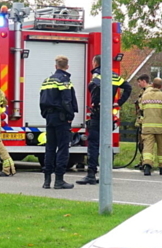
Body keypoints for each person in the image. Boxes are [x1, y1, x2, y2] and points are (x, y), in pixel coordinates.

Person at [80, 55, 131, 185]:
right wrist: (118, 102)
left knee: (93, 143)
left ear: (95, 63)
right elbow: (128, 87)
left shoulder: (97, 74)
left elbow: (94, 87)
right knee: (106, 144)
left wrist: (96, 101)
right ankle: (105, 174)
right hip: (108, 113)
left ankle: (91, 174)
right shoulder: (114, 75)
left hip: (98, 113)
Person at [39, 55, 78, 189]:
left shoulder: (46, 81)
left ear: (56, 66)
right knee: (62, 148)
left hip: (50, 117)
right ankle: (59, 180)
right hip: (61, 118)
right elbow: (67, 100)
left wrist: (46, 114)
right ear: (67, 66)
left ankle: (47, 180)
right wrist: (70, 115)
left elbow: (42, 100)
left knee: (49, 148)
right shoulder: (64, 81)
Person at [138, 76, 162, 176]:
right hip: (160, 127)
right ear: (161, 86)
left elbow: (141, 110)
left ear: (152, 85)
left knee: (148, 148)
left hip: (147, 126)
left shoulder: (144, 96)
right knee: (161, 147)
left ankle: (147, 167)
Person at [133, 74, 151, 169]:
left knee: (145, 144)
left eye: (139, 82)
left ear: (144, 81)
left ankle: (145, 162)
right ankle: (142, 161)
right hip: (143, 122)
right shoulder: (144, 92)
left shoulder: (148, 92)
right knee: (141, 144)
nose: (138, 84)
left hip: (146, 122)